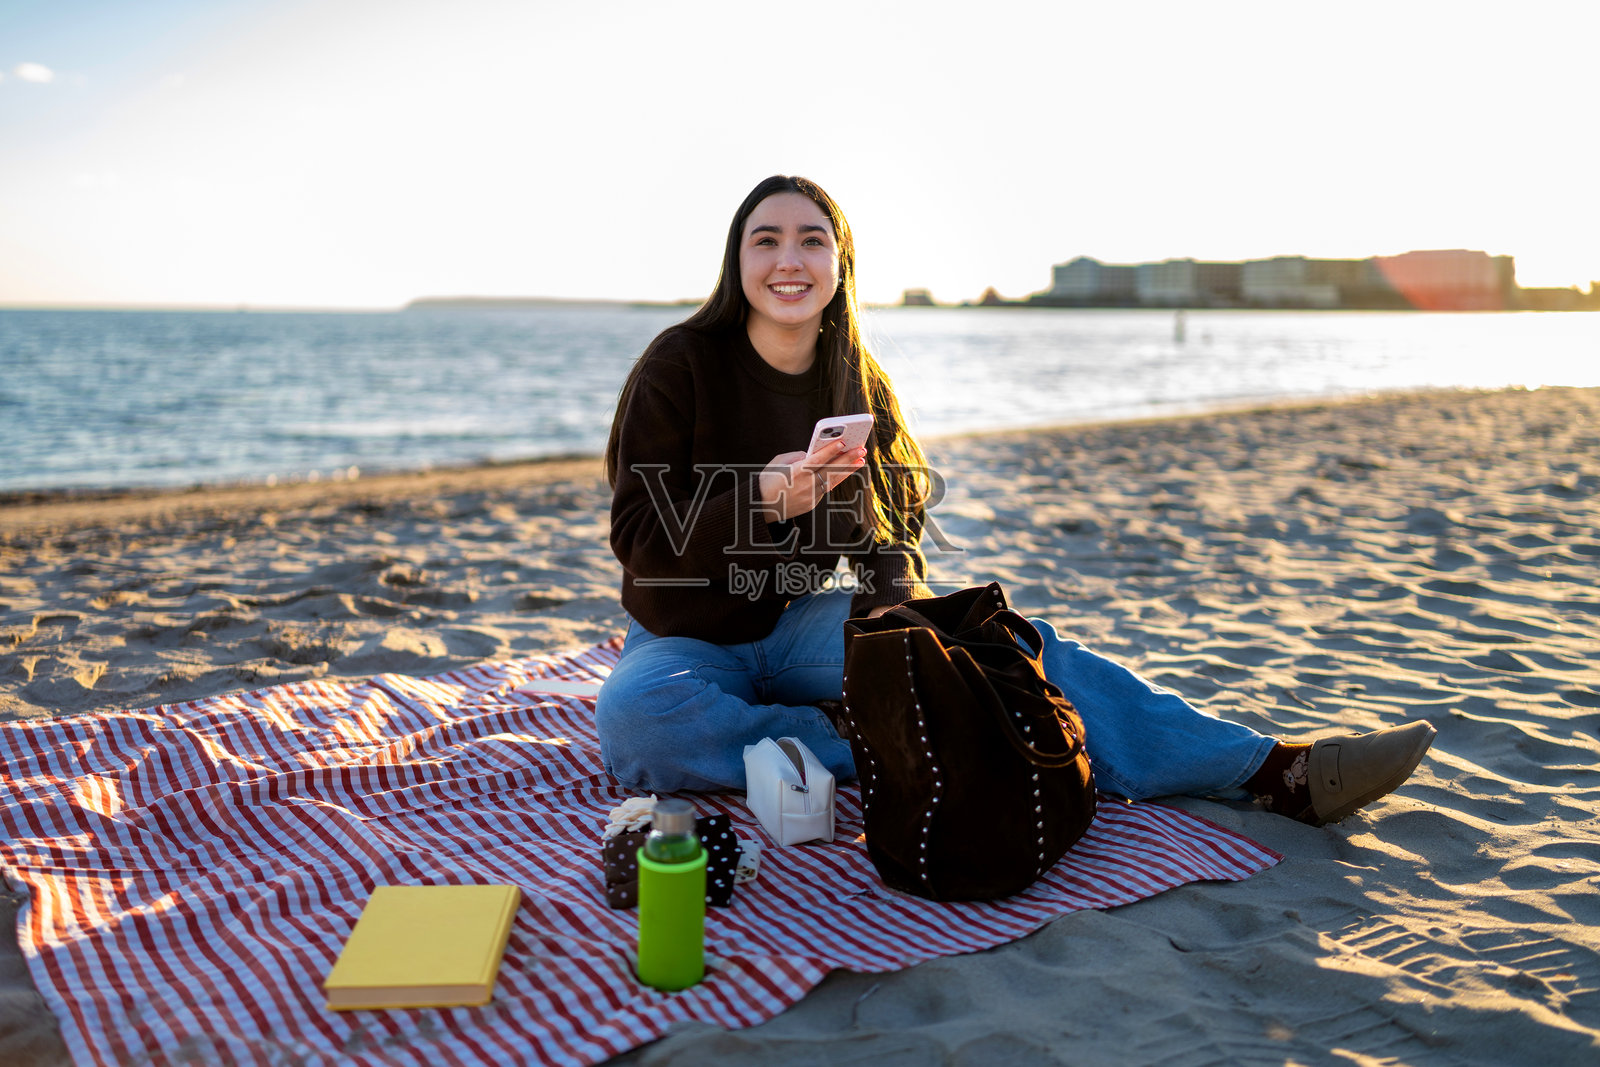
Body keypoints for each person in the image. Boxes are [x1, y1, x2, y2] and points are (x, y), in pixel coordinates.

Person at [596, 174, 1435, 826]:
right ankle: (860, 735)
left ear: (839, 263)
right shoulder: (681, 365)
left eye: (812, 240)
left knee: (1004, 647)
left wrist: (894, 636)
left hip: (805, 624)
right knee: (637, 723)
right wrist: (764, 499)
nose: (790, 260)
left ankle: (1271, 768)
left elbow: (894, 534)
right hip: (684, 636)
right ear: (737, 262)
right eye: (767, 240)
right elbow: (639, 543)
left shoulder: (858, 383)